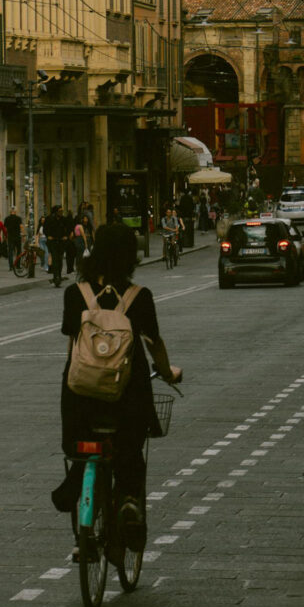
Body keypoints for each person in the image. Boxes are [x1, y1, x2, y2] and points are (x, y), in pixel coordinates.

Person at [52, 223, 182, 564]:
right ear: (131, 256)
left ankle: (79, 511)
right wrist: (169, 373)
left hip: (80, 395)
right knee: (129, 451)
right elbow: (154, 344)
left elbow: (72, 346)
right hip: (128, 395)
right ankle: (127, 501)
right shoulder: (140, 296)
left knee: (82, 448)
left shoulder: (74, 294)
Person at [44, 205, 70, 287]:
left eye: (62, 211)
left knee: (60, 259)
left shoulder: (64, 219)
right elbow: (45, 229)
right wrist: (48, 235)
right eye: (59, 211)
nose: (61, 213)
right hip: (53, 241)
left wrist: (66, 236)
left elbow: (69, 228)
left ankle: (59, 275)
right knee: (55, 259)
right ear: (55, 212)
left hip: (61, 241)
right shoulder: (49, 219)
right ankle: (56, 278)